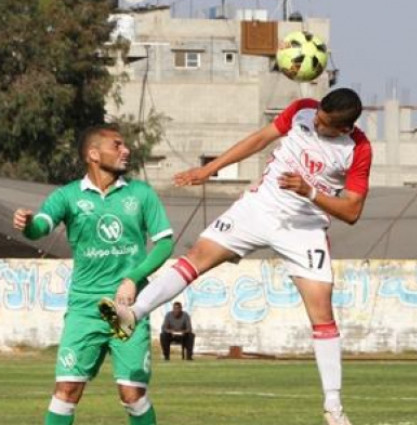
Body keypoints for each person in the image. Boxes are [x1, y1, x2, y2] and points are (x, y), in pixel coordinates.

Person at [99, 87, 371, 425]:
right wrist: (209, 168)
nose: (316, 123)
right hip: (257, 208)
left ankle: (333, 407)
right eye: (316, 117)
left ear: (344, 129)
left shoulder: (357, 149)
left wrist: (309, 190)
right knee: (197, 255)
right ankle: (132, 315)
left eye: (325, 123)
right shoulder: (303, 109)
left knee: (322, 312)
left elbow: (352, 210)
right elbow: (259, 139)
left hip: (304, 227)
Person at [13, 125, 174, 425]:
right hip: (86, 307)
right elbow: (41, 227)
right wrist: (27, 224)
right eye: (117, 145)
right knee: (66, 390)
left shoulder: (140, 193)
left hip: (124, 308)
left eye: (125, 145)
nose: (125, 150)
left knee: (132, 395)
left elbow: (165, 242)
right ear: (93, 154)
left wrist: (132, 277)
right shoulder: (69, 196)